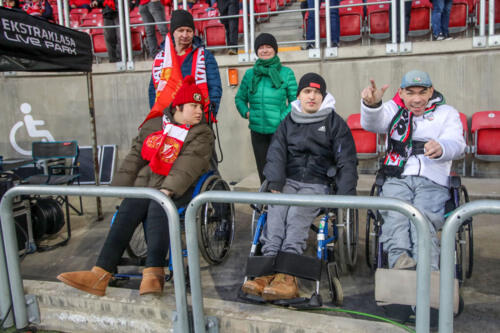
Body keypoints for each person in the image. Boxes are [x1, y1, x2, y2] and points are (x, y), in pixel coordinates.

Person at [56, 76, 215, 296]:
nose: (199, 111)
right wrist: (120, 187)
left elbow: (189, 164)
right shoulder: (153, 125)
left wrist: (166, 190)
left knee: (158, 205)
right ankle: (101, 273)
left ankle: (153, 274)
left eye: (200, 106)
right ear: (178, 106)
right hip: (147, 186)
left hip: (180, 187)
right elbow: (134, 158)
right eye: (194, 106)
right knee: (131, 205)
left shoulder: (202, 132)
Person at [241, 73, 358, 300]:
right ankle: (266, 272)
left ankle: (288, 276)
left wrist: (345, 197)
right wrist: (275, 180)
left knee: (295, 214)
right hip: (288, 180)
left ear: (323, 97)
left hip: (318, 182)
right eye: (307, 91)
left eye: (316, 92)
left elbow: (347, 160)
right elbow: (276, 152)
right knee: (276, 212)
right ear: (299, 96)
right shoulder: (289, 121)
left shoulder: (335, 123)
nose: (311, 96)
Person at [360, 70, 466, 271]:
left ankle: (428, 269)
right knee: (396, 215)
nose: (417, 99)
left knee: (423, 218)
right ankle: (400, 263)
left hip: (433, 175)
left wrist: (442, 147)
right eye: (410, 93)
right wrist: (372, 105)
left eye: (422, 92)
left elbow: (457, 143)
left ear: (431, 91)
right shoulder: (392, 109)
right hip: (397, 174)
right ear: (401, 93)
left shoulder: (447, 113)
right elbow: (372, 124)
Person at [235, 33, 297, 184]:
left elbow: (295, 102)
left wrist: (281, 118)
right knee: (263, 170)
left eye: (268, 47)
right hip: (257, 131)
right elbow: (240, 98)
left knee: (281, 168)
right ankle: (265, 204)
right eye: (261, 48)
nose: (264, 50)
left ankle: (282, 203)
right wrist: (246, 112)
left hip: (280, 131)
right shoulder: (250, 74)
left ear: (275, 50)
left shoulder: (286, 73)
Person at [148, 10, 222, 116]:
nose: (185, 34)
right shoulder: (161, 58)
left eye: (189, 31)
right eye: (181, 30)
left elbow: (215, 87)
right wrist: (155, 113)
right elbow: (153, 90)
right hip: (168, 116)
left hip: (197, 116)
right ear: (173, 32)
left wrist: (210, 114)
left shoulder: (205, 56)